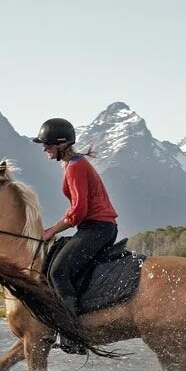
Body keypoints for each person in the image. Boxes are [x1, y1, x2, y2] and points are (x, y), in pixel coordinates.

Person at [36, 117, 118, 349]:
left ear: (62, 144)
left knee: (60, 272)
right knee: (51, 262)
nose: (44, 149)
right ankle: (54, 324)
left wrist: (51, 230)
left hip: (98, 228)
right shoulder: (72, 164)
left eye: (48, 144)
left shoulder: (76, 167)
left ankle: (74, 336)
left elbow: (78, 212)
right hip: (92, 227)